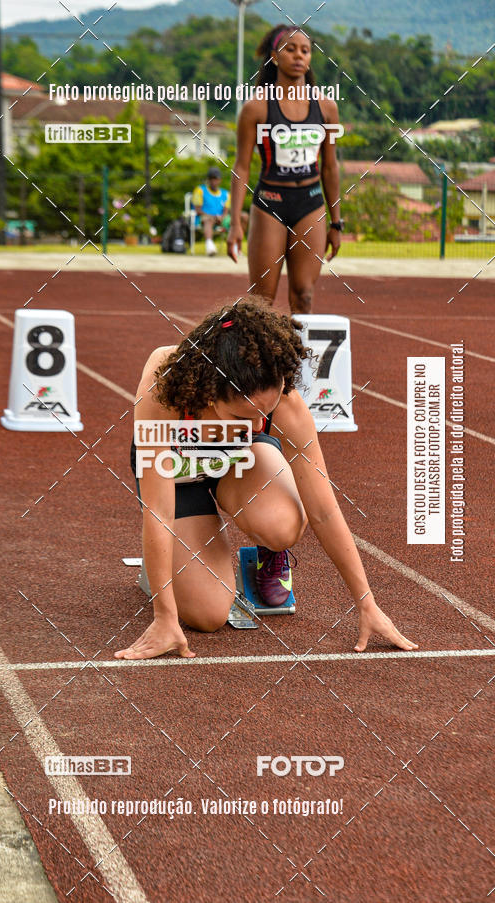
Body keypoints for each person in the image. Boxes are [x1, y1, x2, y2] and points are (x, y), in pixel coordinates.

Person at [116, 298, 417, 660]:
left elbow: (323, 510)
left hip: (240, 465)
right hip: (179, 475)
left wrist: (366, 603)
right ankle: (163, 567)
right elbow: (159, 512)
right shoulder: (164, 383)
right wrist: (165, 617)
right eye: (243, 416)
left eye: (266, 412)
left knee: (282, 525)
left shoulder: (284, 401)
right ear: (210, 395)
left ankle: (266, 553)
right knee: (208, 616)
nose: (260, 425)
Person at [227, 24, 343, 313]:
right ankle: (260, 346)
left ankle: (298, 346)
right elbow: (241, 167)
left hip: (310, 203)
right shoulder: (256, 108)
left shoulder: (326, 107)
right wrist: (235, 222)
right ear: (275, 57)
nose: (299, 55)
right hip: (271, 203)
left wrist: (336, 223)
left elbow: (330, 168)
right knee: (261, 302)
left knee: (304, 296)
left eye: (305, 50)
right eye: (290, 49)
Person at [192, 167, 231, 256]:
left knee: (242, 217)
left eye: (215, 179)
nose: (213, 181)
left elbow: (226, 211)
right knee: (208, 219)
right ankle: (210, 246)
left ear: (220, 180)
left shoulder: (226, 194)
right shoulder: (200, 190)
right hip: (204, 219)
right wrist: (213, 217)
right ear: (208, 180)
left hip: (221, 219)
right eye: (211, 179)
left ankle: (236, 247)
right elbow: (198, 210)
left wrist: (221, 218)